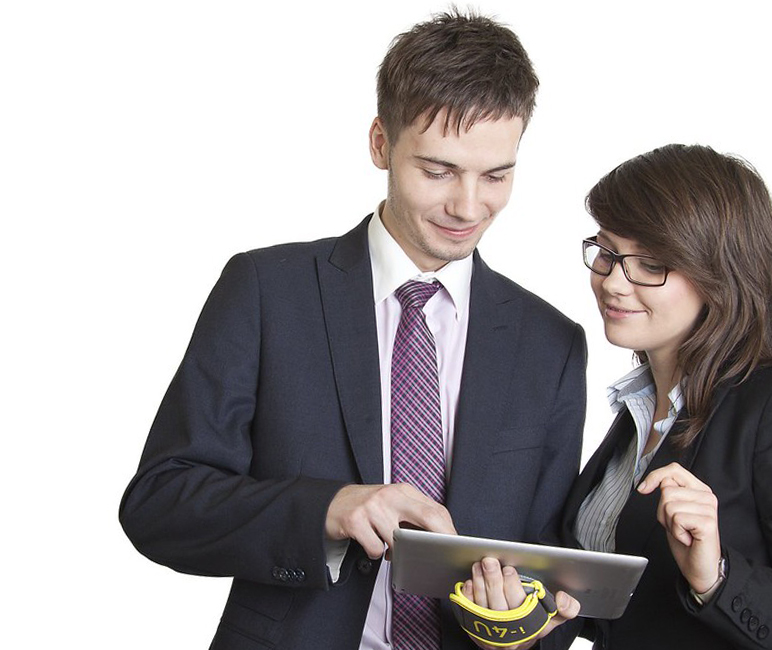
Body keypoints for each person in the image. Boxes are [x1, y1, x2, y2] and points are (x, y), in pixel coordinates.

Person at [119, 11, 585, 650]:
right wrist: (329, 510)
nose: (468, 206)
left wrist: (524, 626)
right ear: (380, 144)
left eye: (496, 176)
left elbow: (551, 570)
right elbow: (159, 504)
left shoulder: (551, 343)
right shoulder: (266, 291)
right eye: (438, 171)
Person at [559, 144, 772, 649]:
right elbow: (628, 615)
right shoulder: (639, 411)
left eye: (651, 263)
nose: (613, 283)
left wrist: (716, 577)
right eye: (606, 252)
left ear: (719, 274)